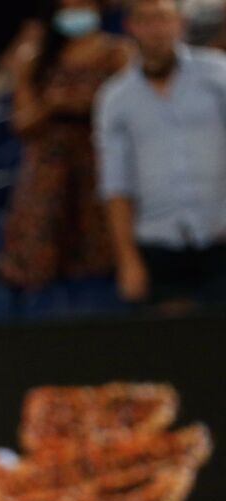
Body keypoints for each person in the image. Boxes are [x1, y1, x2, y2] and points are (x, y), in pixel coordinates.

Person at [94, 0, 226, 311]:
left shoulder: (218, 74)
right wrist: (128, 260)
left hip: (219, 236)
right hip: (158, 243)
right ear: (131, 26)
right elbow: (115, 185)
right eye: (147, 20)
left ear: (180, 23)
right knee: (173, 349)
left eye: (163, 19)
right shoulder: (115, 98)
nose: (156, 29)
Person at [2, 0, 131, 290]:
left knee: (99, 259)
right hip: (48, 175)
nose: (76, 8)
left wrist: (89, 104)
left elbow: (131, 114)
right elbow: (22, 124)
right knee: (42, 260)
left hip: (98, 168)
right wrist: (53, 104)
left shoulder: (118, 53)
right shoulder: (36, 59)